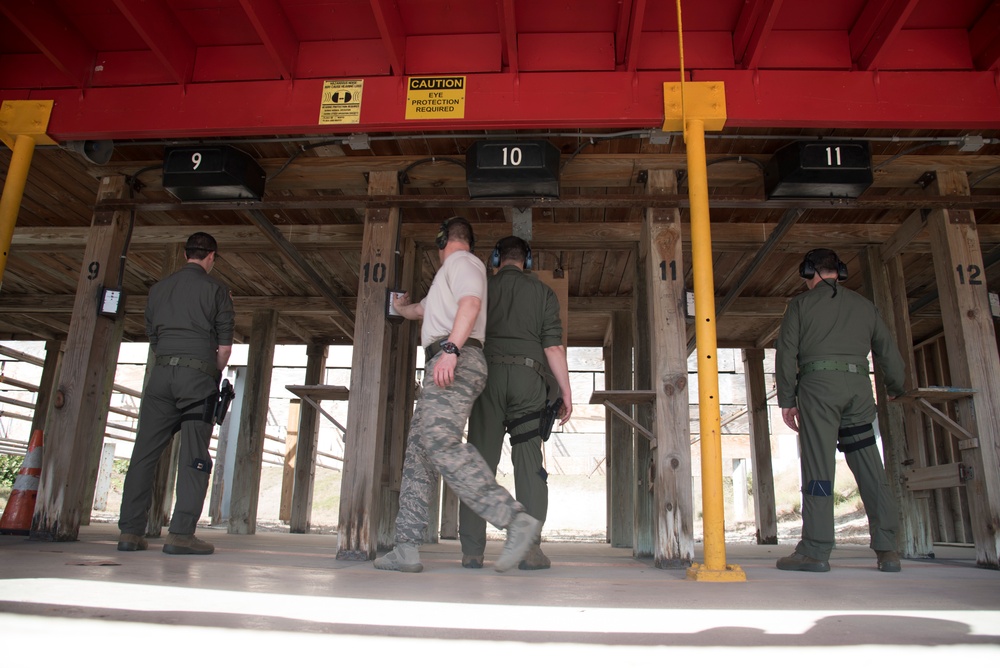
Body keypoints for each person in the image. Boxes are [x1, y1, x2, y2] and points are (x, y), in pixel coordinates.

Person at [374, 217, 540, 573]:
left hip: (455, 360)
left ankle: (513, 519)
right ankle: (406, 546)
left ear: (442, 239)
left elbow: (470, 304)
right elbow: (422, 310)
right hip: (446, 359)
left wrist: (450, 349)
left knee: (440, 442)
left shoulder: (463, 263)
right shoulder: (445, 277)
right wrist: (402, 308)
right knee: (421, 452)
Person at [775, 248, 905, 573]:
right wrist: (896, 387)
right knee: (870, 465)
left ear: (809, 272)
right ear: (840, 272)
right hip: (858, 389)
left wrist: (787, 400)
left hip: (819, 391)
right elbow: (887, 350)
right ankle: (888, 550)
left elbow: (786, 352)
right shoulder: (864, 306)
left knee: (819, 469)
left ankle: (815, 550)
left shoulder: (801, 305)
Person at [458, 235, 572, 570]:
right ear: (528, 262)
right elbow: (553, 347)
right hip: (527, 383)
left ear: (495, 260)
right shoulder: (543, 294)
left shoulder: (481, 289)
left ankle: (472, 551)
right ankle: (530, 550)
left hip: (486, 380)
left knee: (478, 464)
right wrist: (565, 391)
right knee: (529, 465)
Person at [117, 232, 234, 555]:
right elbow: (224, 347)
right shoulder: (216, 290)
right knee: (195, 455)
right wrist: (213, 372)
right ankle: (181, 534)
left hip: (160, 376)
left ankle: (130, 532)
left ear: (186, 255)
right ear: (211, 256)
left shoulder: (158, 289)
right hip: (197, 378)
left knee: (144, 454)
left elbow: (153, 338)